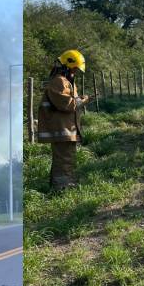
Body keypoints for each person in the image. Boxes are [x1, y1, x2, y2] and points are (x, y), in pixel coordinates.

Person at [37, 49, 89, 191]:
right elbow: (67, 104)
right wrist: (83, 101)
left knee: (66, 160)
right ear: (66, 66)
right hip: (61, 129)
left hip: (67, 129)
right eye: (74, 69)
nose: (75, 72)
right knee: (64, 161)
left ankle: (63, 185)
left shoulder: (67, 81)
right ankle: (62, 188)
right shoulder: (59, 81)